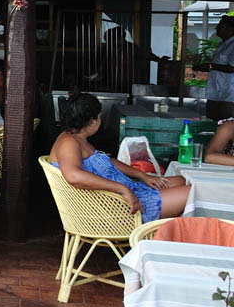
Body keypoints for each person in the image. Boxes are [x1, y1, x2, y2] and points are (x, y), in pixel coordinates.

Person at [50, 92, 189, 219]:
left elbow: (106, 160)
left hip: (126, 192)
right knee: (193, 193)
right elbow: (74, 176)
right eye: (99, 117)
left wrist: (142, 175)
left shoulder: (77, 138)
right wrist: (122, 189)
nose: (100, 121)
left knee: (182, 181)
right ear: (92, 121)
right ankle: (164, 236)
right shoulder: (69, 143)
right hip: (120, 207)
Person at [203, 16, 234, 121]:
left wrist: (210, 66)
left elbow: (232, 68)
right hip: (215, 95)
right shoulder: (222, 45)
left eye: (221, 25)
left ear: (230, 29)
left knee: (227, 128)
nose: (217, 28)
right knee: (213, 127)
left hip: (229, 97)